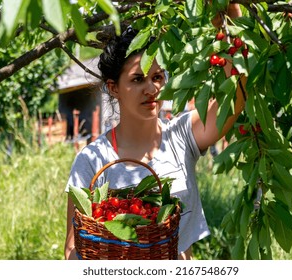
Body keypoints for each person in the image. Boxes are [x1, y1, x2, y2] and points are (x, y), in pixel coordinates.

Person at [65, 4, 244, 260]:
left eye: (157, 77)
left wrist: (232, 23)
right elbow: (72, 249)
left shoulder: (181, 136)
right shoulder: (92, 161)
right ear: (113, 88)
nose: (151, 89)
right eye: (137, 79)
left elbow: (234, 100)